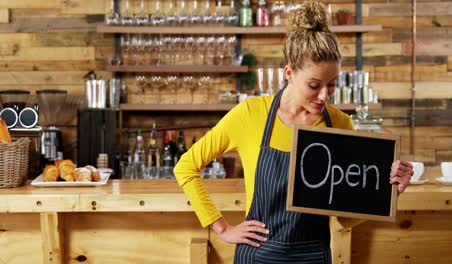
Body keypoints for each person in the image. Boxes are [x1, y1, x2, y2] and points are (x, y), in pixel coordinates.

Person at [174, 0, 413, 263]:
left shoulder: (340, 124)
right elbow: (186, 167)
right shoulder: (251, 115)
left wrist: (389, 191)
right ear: (289, 72)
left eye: (331, 85)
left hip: (313, 256)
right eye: (314, 85)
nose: (324, 96)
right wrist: (222, 228)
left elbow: (344, 217)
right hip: (257, 255)